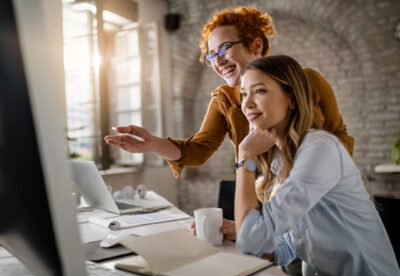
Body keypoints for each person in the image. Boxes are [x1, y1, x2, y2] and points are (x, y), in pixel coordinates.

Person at [105, 6, 354, 182]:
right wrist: (153, 145)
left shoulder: (307, 80)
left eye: (225, 48)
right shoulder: (224, 99)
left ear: (256, 45)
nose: (218, 61)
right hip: (263, 197)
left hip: (317, 191)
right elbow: (198, 150)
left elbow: (338, 136)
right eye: (211, 55)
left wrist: (332, 183)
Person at [235, 55, 400, 276]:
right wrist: (242, 231)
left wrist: (245, 157)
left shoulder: (320, 149)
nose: (247, 103)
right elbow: (285, 248)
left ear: (292, 98)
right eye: (244, 93)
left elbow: (251, 240)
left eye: (259, 91)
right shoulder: (281, 161)